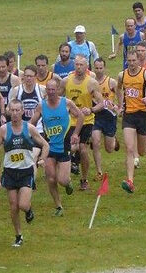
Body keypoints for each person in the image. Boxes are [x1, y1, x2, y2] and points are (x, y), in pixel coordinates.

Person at [0, 100, 49, 247]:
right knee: (13, 206)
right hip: (10, 172)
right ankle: (18, 235)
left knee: (22, 205)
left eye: (18, 110)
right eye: (12, 110)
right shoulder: (3, 130)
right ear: (9, 111)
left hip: (26, 171)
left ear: (22, 111)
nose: (15, 114)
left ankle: (28, 211)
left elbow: (45, 145)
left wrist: (42, 159)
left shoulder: (29, 128)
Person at [29, 78, 83, 216]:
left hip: (64, 145)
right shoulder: (41, 106)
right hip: (49, 147)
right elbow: (32, 123)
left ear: (58, 90)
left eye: (54, 89)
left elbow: (80, 116)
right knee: (51, 178)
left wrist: (76, 133)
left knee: (62, 180)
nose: (51, 92)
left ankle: (68, 183)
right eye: (49, 90)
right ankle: (58, 206)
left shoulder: (67, 103)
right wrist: (29, 135)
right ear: (46, 91)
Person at [115, 51, 146, 193]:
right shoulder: (122, 75)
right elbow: (118, 89)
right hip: (129, 116)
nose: (131, 63)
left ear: (138, 60)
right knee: (130, 149)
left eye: (133, 60)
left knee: (141, 151)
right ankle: (130, 181)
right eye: (129, 61)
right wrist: (120, 106)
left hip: (143, 116)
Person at [60, 55, 105, 191]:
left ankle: (84, 179)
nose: (79, 67)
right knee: (68, 148)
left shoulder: (91, 82)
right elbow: (58, 98)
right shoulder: (66, 81)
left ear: (86, 67)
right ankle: (65, 177)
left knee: (83, 149)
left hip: (86, 120)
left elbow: (102, 103)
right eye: (77, 65)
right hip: (70, 120)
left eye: (81, 65)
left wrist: (90, 109)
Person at [8, 65, 46, 161]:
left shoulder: (42, 90)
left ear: (35, 77)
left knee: (32, 156)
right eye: (26, 76)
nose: (28, 78)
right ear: (23, 77)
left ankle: (31, 175)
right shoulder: (17, 91)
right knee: (21, 158)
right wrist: (14, 112)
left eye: (31, 76)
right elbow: (8, 109)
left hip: (38, 129)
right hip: (21, 129)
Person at [91, 58, 119, 179]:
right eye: (96, 68)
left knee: (109, 149)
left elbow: (120, 94)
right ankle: (99, 171)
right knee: (96, 142)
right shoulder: (90, 83)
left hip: (109, 116)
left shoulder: (111, 82)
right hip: (96, 116)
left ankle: (114, 141)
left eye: (101, 68)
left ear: (105, 68)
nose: (98, 70)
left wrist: (119, 107)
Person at [0, 55, 21, 126]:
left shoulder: (15, 79)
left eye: (3, 67)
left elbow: (19, 97)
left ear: (7, 66)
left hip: (9, 113)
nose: (1, 69)